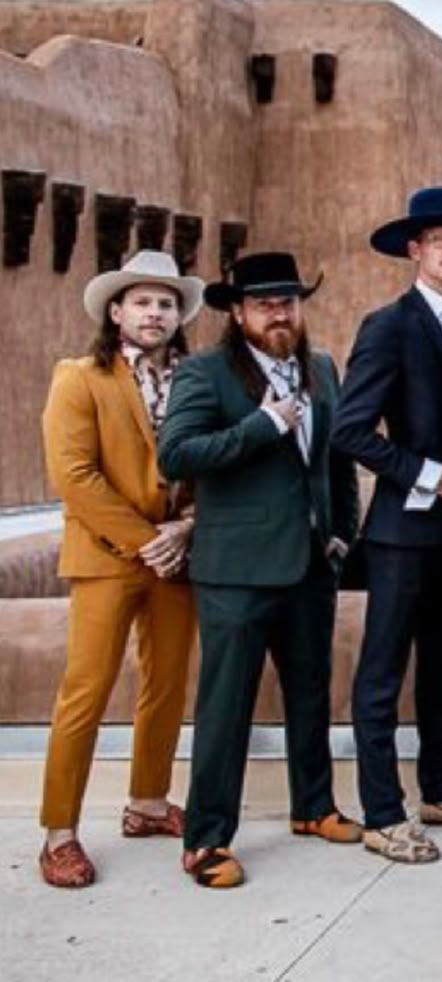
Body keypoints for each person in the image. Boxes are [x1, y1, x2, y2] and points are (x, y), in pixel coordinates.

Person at [158, 252, 361, 889]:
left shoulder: (322, 367)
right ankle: (206, 840)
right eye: (267, 303)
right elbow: (178, 453)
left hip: (309, 565)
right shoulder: (204, 372)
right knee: (226, 708)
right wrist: (262, 424)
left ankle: (314, 807)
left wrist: (340, 536)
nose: (281, 313)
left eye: (290, 301)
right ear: (238, 312)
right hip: (236, 573)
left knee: (310, 695)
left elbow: (336, 460)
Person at [332, 186, 442, 863]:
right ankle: (382, 813)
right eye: (441, 240)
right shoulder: (389, 324)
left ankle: (439, 789)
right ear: (415, 249)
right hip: (403, 532)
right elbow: (350, 431)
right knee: (382, 671)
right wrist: (436, 475)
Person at [39, 251, 203, 887]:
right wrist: (148, 542)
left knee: (167, 686)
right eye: (142, 301)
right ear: (116, 311)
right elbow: (74, 477)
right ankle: (59, 833)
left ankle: (148, 802)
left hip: (177, 555)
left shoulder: (196, 378)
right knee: (85, 692)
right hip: (108, 558)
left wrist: (186, 530)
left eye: (165, 303)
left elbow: (209, 465)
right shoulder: (79, 377)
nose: (155, 313)